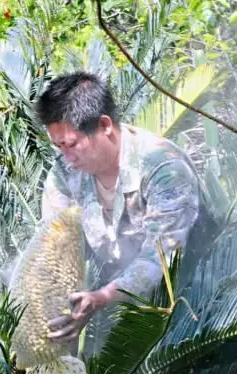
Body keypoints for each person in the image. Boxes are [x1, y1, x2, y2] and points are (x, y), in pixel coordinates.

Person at [34, 71, 201, 347]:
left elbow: (159, 258)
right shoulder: (65, 172)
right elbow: (54, 239)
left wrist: (101, 299)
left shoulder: (164, 169)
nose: (67, 157)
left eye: (72, 144)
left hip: (189, 305)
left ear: (105, 125)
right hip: (114, 307)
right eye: (59, 146)